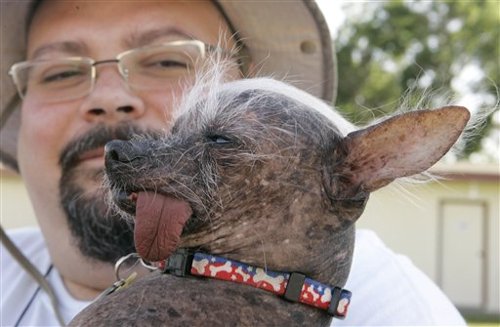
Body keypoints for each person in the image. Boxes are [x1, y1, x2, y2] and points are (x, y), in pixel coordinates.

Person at [0, 1, 466, 326]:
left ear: (253, 91)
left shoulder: (384, 304)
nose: (108, 98)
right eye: (60, 72)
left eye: (167, 61)